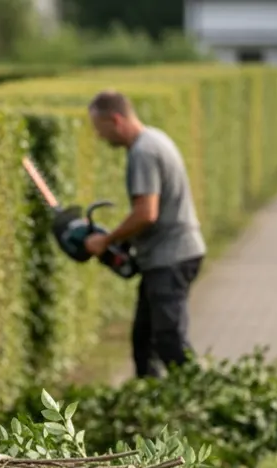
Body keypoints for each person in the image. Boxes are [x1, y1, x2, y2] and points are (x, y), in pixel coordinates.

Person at [82, 90, 207, 379]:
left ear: (116, 120)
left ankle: (202, 403)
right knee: (144, 341)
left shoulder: (143, 152)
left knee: (169, 341)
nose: (100, 137)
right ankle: (153, 406)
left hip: (171, 257)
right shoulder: (155, 138)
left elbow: (146, 213)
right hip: (170, 255)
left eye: (100, 129)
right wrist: (122, 240)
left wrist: (106, 240)